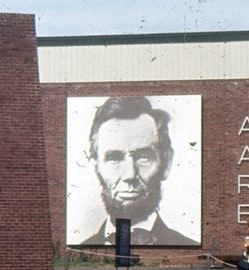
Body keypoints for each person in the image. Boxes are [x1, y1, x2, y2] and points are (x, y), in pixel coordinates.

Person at [80, 96, 198, 246]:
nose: (129, 175)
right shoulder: (76, 253)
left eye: (143, 158)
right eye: (114, 158)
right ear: (96, 167)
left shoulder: (188, 246)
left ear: (166, 164)